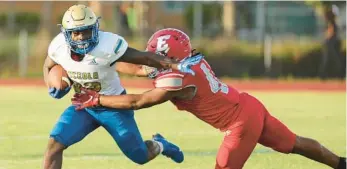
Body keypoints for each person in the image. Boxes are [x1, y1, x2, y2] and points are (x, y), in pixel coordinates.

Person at [72, 28, 346, 169]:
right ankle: (341, 164)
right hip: (248, 105)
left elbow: (138, 102)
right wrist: (103, 62)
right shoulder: (188, 61)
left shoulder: (178, 80)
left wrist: (97, 100)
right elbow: (142, 68)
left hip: (239, 124)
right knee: (294, 144)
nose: (155, 58)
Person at [42, 5, 203, 169]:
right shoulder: (58, 47)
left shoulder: (108, 44)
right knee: (54, 145)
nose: (82, 37)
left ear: (95, 28)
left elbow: (145, 58)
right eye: (76, 32)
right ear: (67, 33)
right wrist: (50, 83)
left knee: (140, 156)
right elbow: (48, 66)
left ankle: (160, 144)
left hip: (113, 106)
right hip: (84, 105)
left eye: (87, 31)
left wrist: (177, 65)